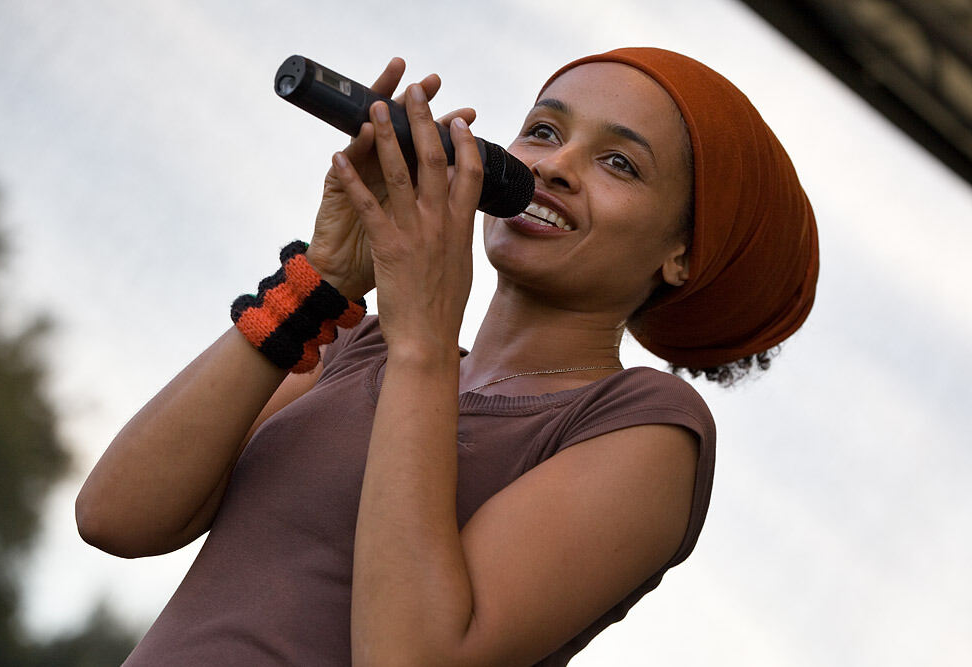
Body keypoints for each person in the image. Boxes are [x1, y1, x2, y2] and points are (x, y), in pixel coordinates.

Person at [76, 47, 818, 665]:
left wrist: (425, 338)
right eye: (543, 131)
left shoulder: (645, 427)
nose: (557, 166)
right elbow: (116, 515)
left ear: (681, 253)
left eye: (619, 163)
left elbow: (412, 654)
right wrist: (320, 281)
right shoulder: (359, 348)